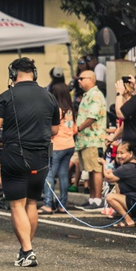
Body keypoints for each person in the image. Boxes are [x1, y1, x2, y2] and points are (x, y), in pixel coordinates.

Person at [0, 57, 60, 266]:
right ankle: (26, 250)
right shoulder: (49, 97)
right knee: (32, 201)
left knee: (16, 204)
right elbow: (55, 130)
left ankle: (27, 250)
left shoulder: (6, 97)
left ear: (13, 74)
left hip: (15, 155)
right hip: (41, 156)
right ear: (35, 73)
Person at [102, 142, 136, 228]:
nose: (118, 156)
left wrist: (103, 164)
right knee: (119, 183)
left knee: (110, 197)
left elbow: (108, 178)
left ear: (131, 153)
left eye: (122, 153)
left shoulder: (126, 168)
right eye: (117, 153)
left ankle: (128, 220)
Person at [74, 70, 107, 211]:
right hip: (85, 139)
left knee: (95, 169)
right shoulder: (88, 95)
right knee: (90, 170)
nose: (79, 81)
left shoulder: (95, 95)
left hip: (93, 139)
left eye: (81, 78)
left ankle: (97, 200)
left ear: (91, 79)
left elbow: (92, 116)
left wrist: (78, 128)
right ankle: (92, 198)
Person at [41, 83, 76, 214]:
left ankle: (48, 204)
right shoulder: (70, 110)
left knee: (48, 174)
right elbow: (75, 129)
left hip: (56, 145)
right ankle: (63, 205)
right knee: (63, 176)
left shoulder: (55, 109)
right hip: (69, 145)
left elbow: (51, 129)